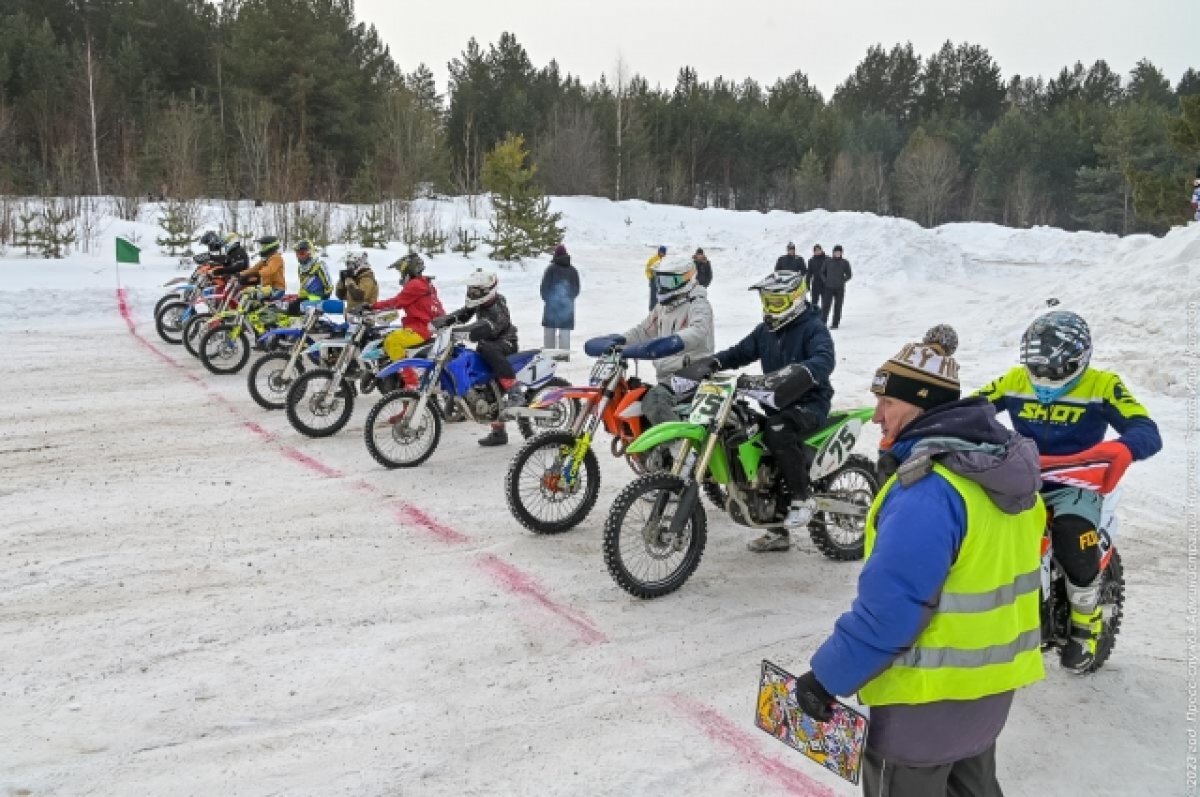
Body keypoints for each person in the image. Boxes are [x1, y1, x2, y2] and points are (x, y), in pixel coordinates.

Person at [793, 325, 1045, 797]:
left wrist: (825, 678)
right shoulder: (1001, 477)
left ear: (920, 404)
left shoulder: (929, 492)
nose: (876, 416)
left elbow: (890, 613)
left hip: (922, 703)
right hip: (987, 693)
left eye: (887, 402)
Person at [976, 309, 1162, 671]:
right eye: (1037, 367)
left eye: (1055, 369)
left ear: (1080, 361)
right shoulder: (1014, 380)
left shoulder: (1103, 385)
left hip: (1076, 482)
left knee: (1074, 534)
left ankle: (1084, 621)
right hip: (1019, 477)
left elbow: (1146, 427)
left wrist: (1124, 448)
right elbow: (971, 410)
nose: (1043, 376)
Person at [682, 270, 833, 551]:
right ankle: (775, 526)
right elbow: (740, 352)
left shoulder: (813, 327)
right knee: (741, 429)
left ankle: (802, 497)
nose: (770, 308)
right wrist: (712, 363)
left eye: (777, 302)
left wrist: (803, 372)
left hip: (808, 403)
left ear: (796, 299)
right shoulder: (766, 331)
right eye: (767, 301)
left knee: (777, 430)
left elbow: (824, 359)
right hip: (775, 402)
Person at [618, 256, 715, 427]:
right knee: (635, 397)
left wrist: (674, 341)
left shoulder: (698, 304)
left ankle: (677, 448)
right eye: (661, 280)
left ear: (687, 279)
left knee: (655, 400)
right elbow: (643, 330)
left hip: (693, 372)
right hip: (668, 375)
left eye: (669, 281)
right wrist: (620, 340)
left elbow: (698, 330)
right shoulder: (664, 307)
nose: (663, 286)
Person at [436, 268, 521, 447]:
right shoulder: (479, 302)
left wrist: (473, 330)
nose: (472, 293)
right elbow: (464, 313)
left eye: (476, 290)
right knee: (485, 387)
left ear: (487, 290)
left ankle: (515, 391)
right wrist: (447, 320)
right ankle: (498, 432)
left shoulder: (498, 304)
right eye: (471, 290)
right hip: (487, 344)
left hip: (505, 343)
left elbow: (495, 325)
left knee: (488, 351)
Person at [372, 251, 443, 363]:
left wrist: (373, 306)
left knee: (392, 341)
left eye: (401, 272)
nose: (401, 275)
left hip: (420, 328)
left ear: (409, 270)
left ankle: (409, 378)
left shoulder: (415, 284)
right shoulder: (425, 283)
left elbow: (397, 302)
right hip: (428, 327)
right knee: (390, 332)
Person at [540, 244, 580, 357]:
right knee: (565, 332)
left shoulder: (551, 269)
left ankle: (549, 355)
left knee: (549, 332)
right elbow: (576, 288)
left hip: (551, 306)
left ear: (556, 255)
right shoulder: (573, 270)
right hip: (567, 306)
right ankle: (564, 355)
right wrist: (569, 299)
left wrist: (548, 300)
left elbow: (544, 287)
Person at [820, 244, 851, 329]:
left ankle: (835, 323)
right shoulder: (828, 261)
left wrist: (843, 280)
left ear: (841, 253)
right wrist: (825, 281)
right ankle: (823, 322)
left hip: (839, 288)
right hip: (829, 287)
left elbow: (849, 274)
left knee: (838, 306)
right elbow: (822, 272)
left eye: (839, 252)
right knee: (826, 306)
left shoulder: (845, 262)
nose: (837, 253)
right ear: (833, 252)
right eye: (836, 252)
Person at [645, 245, 667, 310]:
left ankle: (658, 311)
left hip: (662, 280)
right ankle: (651, 311)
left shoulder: (665, 260)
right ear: (659, 251)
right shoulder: (652, 259)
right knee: (653, 298)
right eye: (662, 252)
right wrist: (650, 277)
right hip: (653, 279)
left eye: (664, 253)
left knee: (661, 296)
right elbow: (647, 269)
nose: (663, 254)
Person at [807, 244, 827, 312]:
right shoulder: (811, 261)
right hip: (815, 284)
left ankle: (823, 319)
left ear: (821, 250)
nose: (818, 251)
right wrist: (807, 285)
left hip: (825, 284)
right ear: (814, 252)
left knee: (825, 303)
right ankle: (814, 319)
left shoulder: (827, 259)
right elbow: (809, 274)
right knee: (814, 303)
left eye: (819, 250)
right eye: (816, 250)